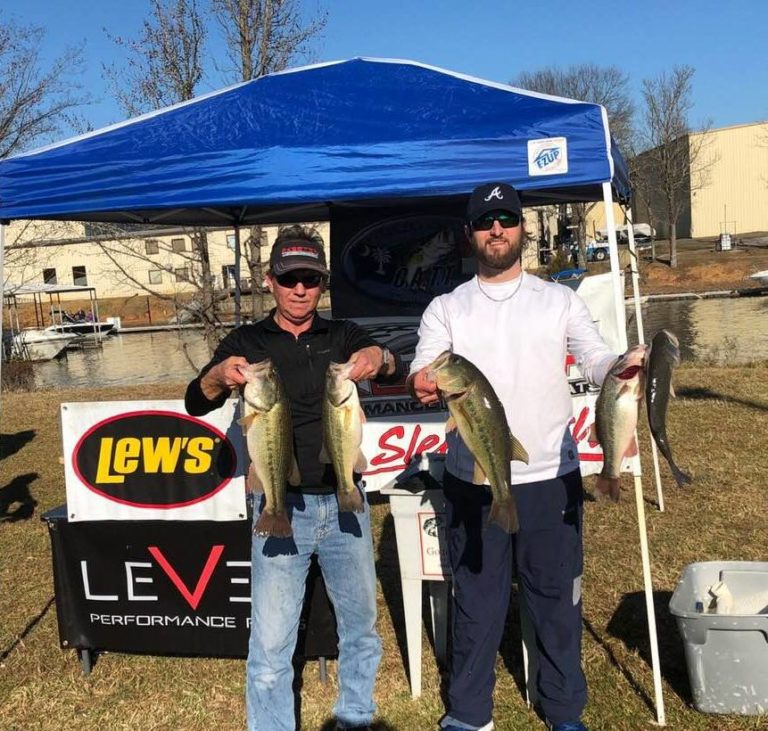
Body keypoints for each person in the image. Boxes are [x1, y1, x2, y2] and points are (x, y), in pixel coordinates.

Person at [408, 183, 640, 731]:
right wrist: (423, 381)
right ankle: (468, 713)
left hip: (550, 478)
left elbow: (593, 357)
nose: (497, 230)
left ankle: (562, 710)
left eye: (507, 219)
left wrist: (622, 366)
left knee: (555, 600)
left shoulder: (558, 300)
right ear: (470, 234)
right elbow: (424, 369)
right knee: (477, 602)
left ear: (522, 229)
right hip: (472, 479)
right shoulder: (446, 308)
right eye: (486, 221)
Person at [185, 224, 402, 731]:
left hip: (344, 501)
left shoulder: (343, 336)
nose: (300, 289)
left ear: (323, 283)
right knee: (270, 644)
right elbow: (196, 401)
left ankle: (354, 717)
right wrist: (219, 376)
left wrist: (380, 358)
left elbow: (395, 366)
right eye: (289, 279)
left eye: (310, 278)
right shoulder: (248, 341)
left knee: (361, 630)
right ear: (270, 280)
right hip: (280, 506)